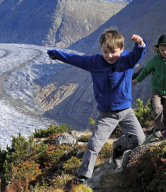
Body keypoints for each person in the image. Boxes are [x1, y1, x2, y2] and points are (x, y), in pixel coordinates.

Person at [47, 29, 148, 185]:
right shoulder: (95, 62)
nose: (109, 56)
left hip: (126, 111)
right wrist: (56, 54)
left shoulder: (127, 60)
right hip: (106, 113)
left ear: (121, 50)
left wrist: (140, 44)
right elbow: (75, 59)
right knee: (94, 144)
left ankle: (119, 147)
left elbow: (138, 53)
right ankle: (82, 177)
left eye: (113, 52)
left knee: (139, 139)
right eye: (105, 52)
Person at [132, 33, 166, 140]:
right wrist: (137, 79)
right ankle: (159, 128)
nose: (165, 52)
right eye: (162, 50)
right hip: (156, 90)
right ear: (158, 50)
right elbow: (145, 70)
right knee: (156, 109)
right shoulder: (155, 60)